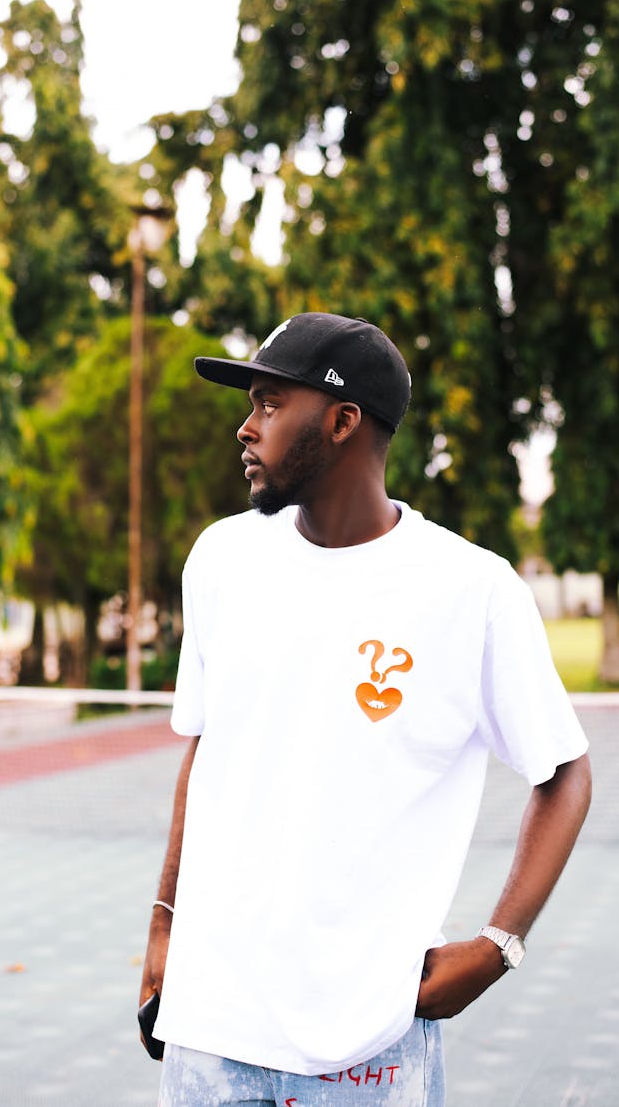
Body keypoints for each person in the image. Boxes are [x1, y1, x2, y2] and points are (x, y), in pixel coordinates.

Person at [139, 312, 591, 1106]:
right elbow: (206, 754)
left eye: (271, 404)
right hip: (211, 1023)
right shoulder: (222, 560)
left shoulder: (471, 591)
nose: (246, 428)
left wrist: (497, 946)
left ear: (344, 421)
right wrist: (161, 927)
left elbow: (565, 772)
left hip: (369, 1038)